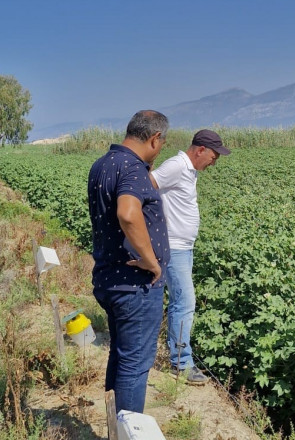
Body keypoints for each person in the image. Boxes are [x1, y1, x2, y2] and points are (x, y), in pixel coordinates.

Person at [87, 110, 170, 413]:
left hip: (110, 280)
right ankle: (129, 430)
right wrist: (151, 262)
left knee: (121, 357)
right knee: (135, 365)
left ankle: (115, 428)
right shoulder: (131, 168)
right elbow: (127, 213)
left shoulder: (103, 164)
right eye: (162, 144)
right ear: (154, 138)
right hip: (134, 286)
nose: (161, 150)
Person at [151, 129, 230, 385]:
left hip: (183, 247)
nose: (214, 162)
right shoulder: (176, 166)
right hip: (173, 247)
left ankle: (177, 358)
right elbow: (147, 185)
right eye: (214, 156)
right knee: (184, 302)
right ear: (200, 150)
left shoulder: (189, 170)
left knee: (180, 301)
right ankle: (181, 364)